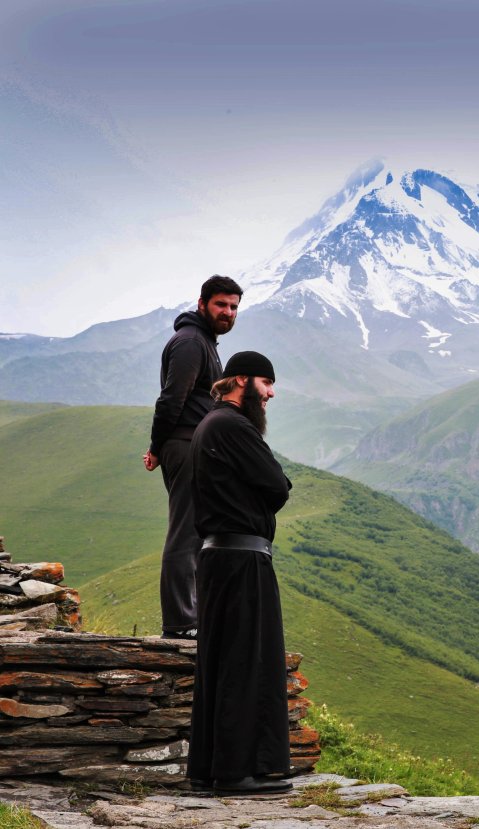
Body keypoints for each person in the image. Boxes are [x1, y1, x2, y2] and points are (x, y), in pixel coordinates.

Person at [187, 350, 293, 795]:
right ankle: (235, 773)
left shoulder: (211, 424)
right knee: (243, 661)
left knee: (222, 660)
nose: (270, 393)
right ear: (242, 381)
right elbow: (277, 484)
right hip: (240, 558)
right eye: (266, 383)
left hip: (220, 557)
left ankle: (209, 769)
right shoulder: (233, 425)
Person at [144, 275, 243, 639]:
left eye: (233, 307)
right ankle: (181, 623)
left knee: (199, 531)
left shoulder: (204, 341)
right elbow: (171, 400)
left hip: (195, 445)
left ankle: (195, 618)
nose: (228, 312)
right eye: (221, 304)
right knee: (185, 532)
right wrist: (157, 448)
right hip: (185, 444)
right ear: (202, 304)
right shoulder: (190, 342)